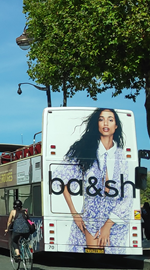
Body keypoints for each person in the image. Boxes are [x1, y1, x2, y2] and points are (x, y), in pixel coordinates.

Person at [56, 108, 134, 254]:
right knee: (94, 258)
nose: (106, 123)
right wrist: (74, 213)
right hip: (90, 218)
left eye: (110, 119)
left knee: (111, 260)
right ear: (96, 124)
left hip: (116, 221)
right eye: (101, 119)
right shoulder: (84, 149)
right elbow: (60, 179)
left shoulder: (121, 157)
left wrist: (108, 225)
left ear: (116, 126)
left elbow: (127, 195)